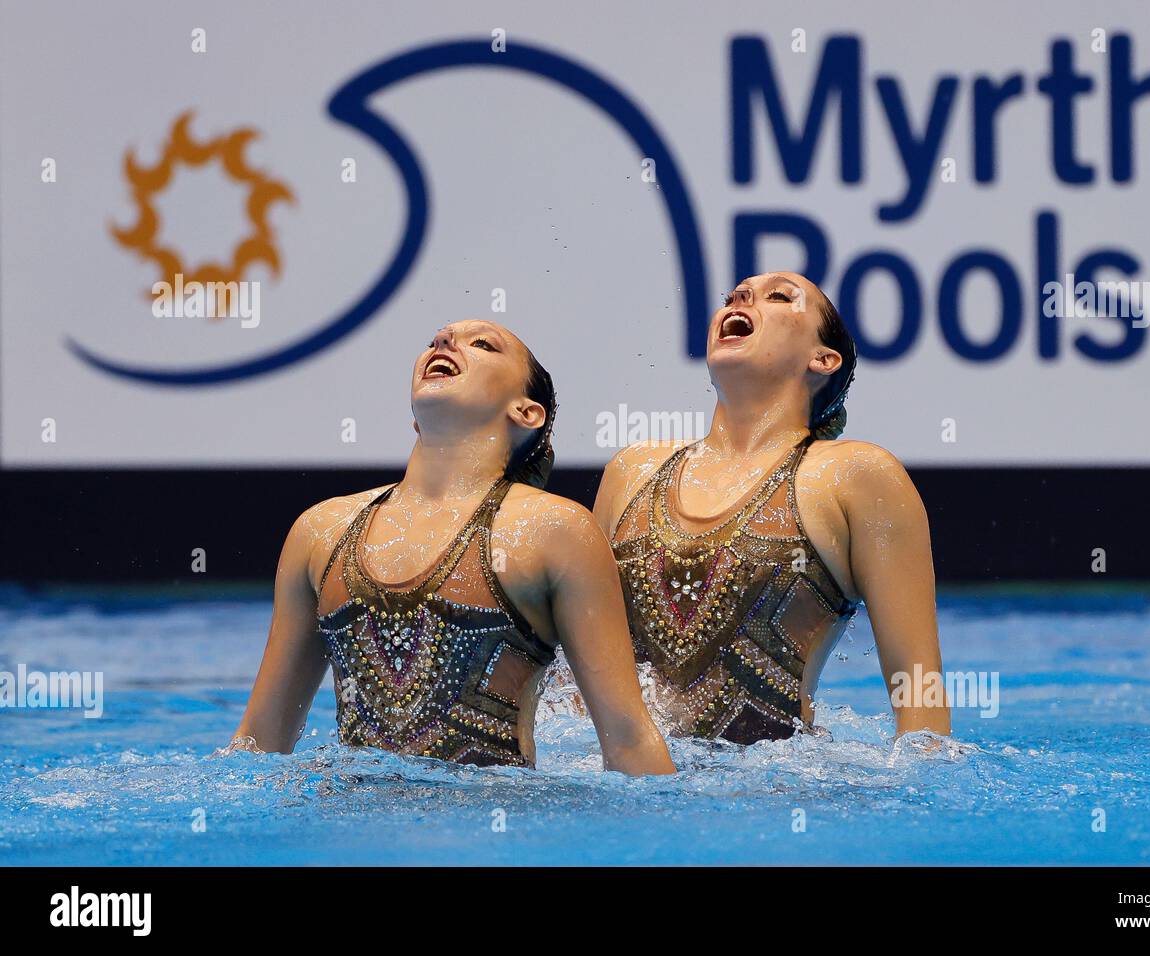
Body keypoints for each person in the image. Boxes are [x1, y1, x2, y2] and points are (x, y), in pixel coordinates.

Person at [231, 319, 674, 774]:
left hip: (495, 829)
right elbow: (261, 739)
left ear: (527, 412)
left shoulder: (556, 532)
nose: (443, 342)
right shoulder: (321, 532)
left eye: (482, 344)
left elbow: (627, 739)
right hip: (354, 829)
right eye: (436, 340)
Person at [594, 273, 950, 743]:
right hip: (635, 790)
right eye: (736, 295)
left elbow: (918, 689)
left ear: (822, 359)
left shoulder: (857, 476)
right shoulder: (633, 471)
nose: (742, 300)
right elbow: (582, 673)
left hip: (776, 793)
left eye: (778, 296)